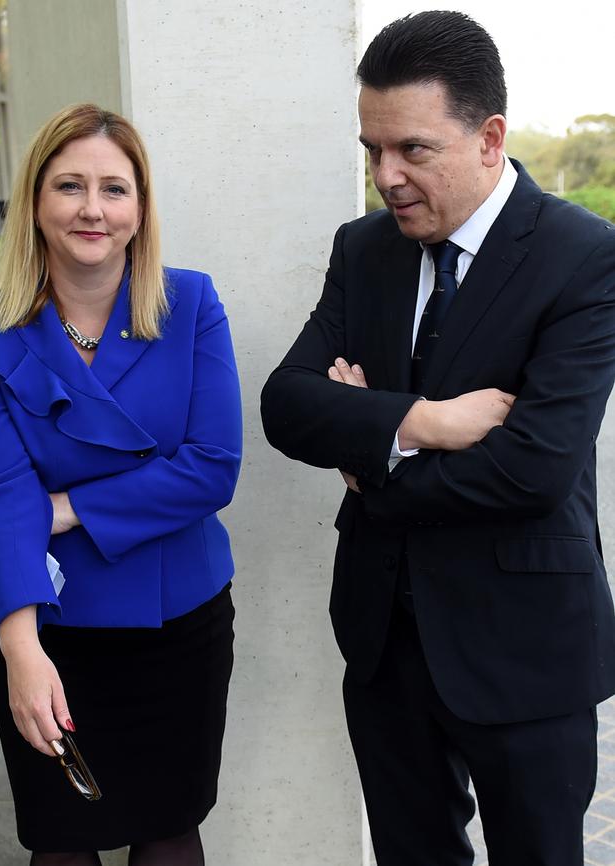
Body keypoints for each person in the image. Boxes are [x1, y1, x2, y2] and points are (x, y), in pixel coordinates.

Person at [260, 11, 615, 866]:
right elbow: (287, 404)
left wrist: (371, 454)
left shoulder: (584, 255)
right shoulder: (364, 250)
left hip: (524, 646)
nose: (387, 176)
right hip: (387, 647)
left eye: (412, 150)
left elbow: (532, 472)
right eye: (371, 150)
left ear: (490, 139)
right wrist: (423, 424)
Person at [0, 103, 242, 865]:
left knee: (168, 830)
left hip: (176, 621)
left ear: (141, 207)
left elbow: (212, 467)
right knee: (60, 842)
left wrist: (66, 506)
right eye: (70, 186)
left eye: (114, 189)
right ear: (35, 201)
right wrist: (20, 646)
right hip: (46, 623)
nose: (93, 208)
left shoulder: (190, 303)